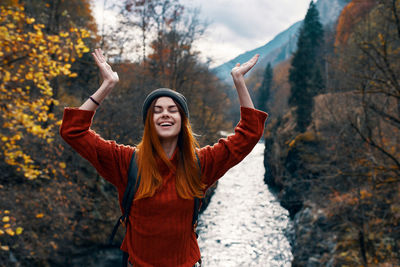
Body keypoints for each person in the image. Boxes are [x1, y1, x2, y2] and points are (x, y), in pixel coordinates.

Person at [60, 48, 268, 267]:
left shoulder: (201, 164)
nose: (165, 114)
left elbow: (249, 134)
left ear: (182, 121)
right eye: (157, 110)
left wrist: (238, 81)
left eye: (172, 109)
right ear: (149, 121)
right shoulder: (126, 162)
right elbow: (73, 130)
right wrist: (107, 85)